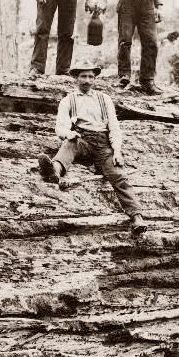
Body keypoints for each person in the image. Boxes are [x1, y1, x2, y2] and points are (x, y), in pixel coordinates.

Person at [37, 64, 146, 234]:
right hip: (82, 140)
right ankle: (55, 170)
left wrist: (117, 151)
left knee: (118, 175)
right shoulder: (68, 100)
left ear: (95, 79)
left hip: (103, 144)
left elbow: (114, 127)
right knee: (69, 144)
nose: (87, 80)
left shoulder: (104, 99)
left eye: (90, 77)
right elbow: (60, 126)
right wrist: (68, 134)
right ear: (76, 78)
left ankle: (137, 217)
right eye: (83, 76)